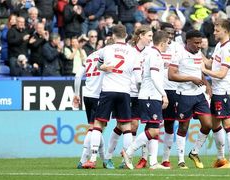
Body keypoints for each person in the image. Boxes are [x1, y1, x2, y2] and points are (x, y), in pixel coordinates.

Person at [82, 24, 139, 169]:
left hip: (108, 91)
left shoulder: (106, 50)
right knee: (126, 126)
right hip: (125, 92)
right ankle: (126, 160)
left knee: (98, 124)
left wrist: (103, 68)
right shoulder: (133, 52)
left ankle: (93, 159)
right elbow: (137, 75)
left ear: (112, 36)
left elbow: (98, 67)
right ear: (126, 35)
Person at [121, 31, 171, 170]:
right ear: (162, 43)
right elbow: (154, 77)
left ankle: (153, 162)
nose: (168, 46)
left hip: (147, 95)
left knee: (152, 128)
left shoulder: (148, 53)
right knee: (154, 131)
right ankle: (128, 152)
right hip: (151, 96)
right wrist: (164, 94)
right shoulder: (154, 55)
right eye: (167, 43)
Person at [168, 30, 212, 169]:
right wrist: (191, 78)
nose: (199, 45)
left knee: (208, 124)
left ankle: (194, 152)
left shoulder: (198, 53)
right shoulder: (178, 54)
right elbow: (171, 75)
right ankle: (181, 160)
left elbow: (198, 71)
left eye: (200, 42)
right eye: (196, 43)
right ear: (188, 42)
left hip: (199, 95)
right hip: (183, 95)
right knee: (183, 127)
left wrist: (207, 84)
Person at [201, 19, 230, 169]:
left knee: (228, 123)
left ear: (225, 31)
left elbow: (222, 73)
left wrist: (205, 72)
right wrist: (198, 54)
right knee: (216, 123)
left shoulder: (229, 49)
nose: (214, 32)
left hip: (224, 90)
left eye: (217, 30)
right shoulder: (218, 45)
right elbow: (211, 64)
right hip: (217, 91)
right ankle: (220, 158)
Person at [73, 39, 114, 169]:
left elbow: (78, 76)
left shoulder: (90, 56)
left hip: (87, 95)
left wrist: (76, 94)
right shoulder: (108, 56)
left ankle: (103, 159)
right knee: (95, 129)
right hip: (99, 96)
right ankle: (83, 159)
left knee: (96, 129)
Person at [159, 22, 182, 168]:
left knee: (169, 124)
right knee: (152, 124)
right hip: (156, 89)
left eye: (172, 33)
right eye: (168, 33)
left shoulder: (178, 48)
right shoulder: (153, 48)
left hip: (173, 90)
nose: (170, 36)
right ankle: (146, 157)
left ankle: (165, 159)